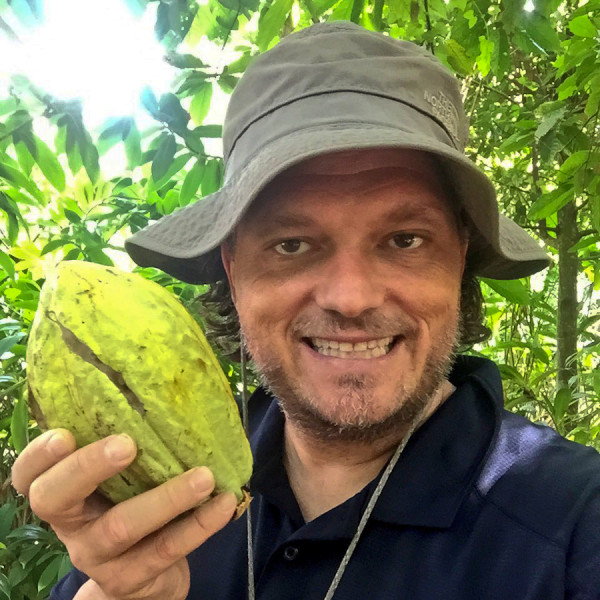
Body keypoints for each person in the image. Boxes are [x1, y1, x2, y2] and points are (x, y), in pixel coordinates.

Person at [11, 21, 600, 600]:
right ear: (234, 270)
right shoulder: (158, 484)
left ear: (460, 258)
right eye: (291, 244)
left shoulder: (574, 526)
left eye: (404, 240)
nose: (350, 298)